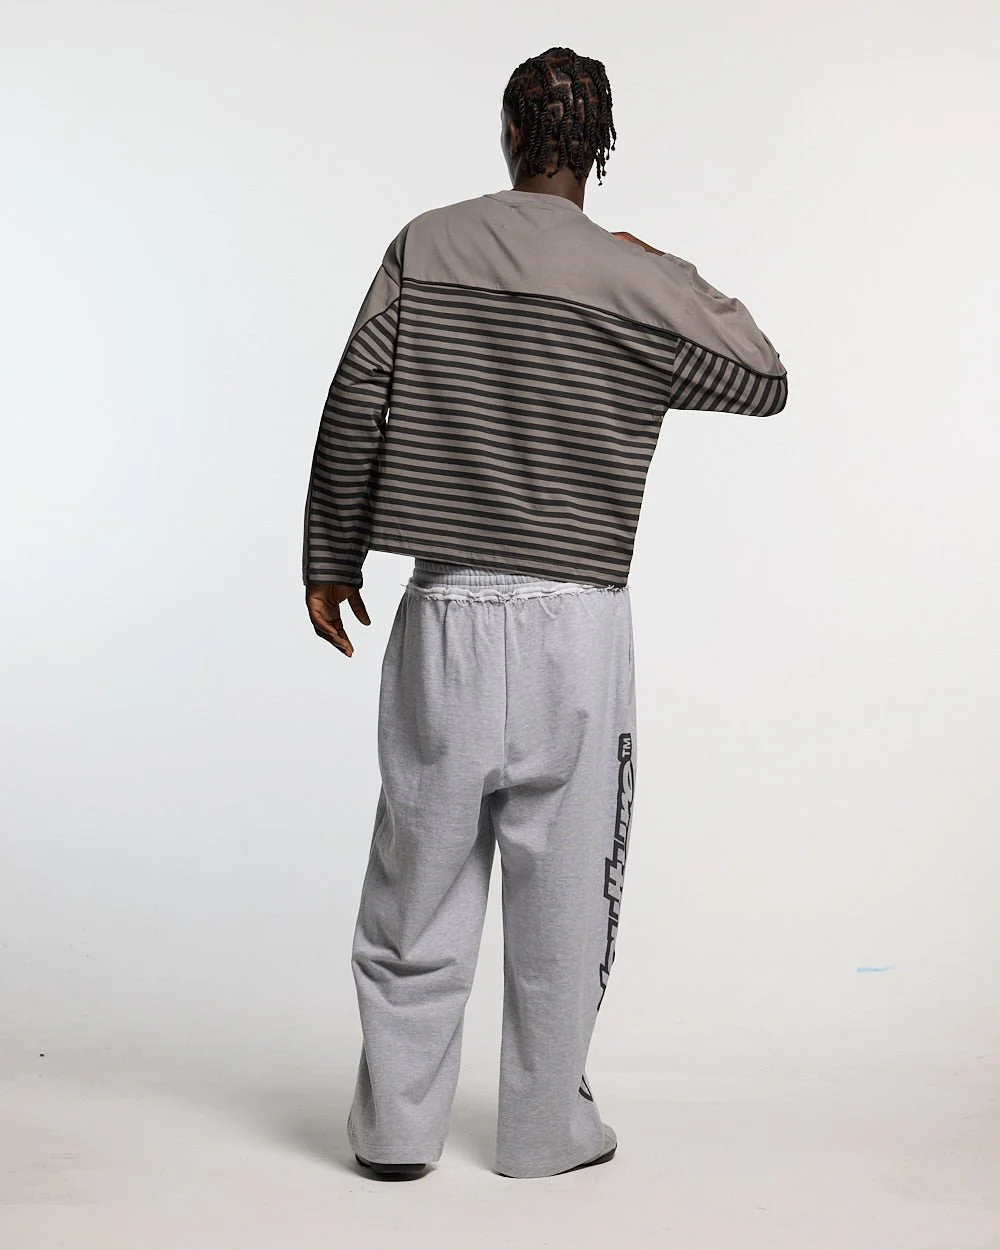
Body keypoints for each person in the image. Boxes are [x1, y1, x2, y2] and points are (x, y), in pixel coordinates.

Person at [302, 46, 788, 1182]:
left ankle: (395, 1133)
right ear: (600, 149)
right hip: (579, 620)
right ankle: (542, 1132)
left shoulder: (426, 245)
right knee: (565, 893)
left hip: (447, 608)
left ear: (511, 133)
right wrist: (658, 264)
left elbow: (355, 399)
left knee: (417, 878)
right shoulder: (634, 284)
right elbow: (761, 376)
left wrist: (331, 555)